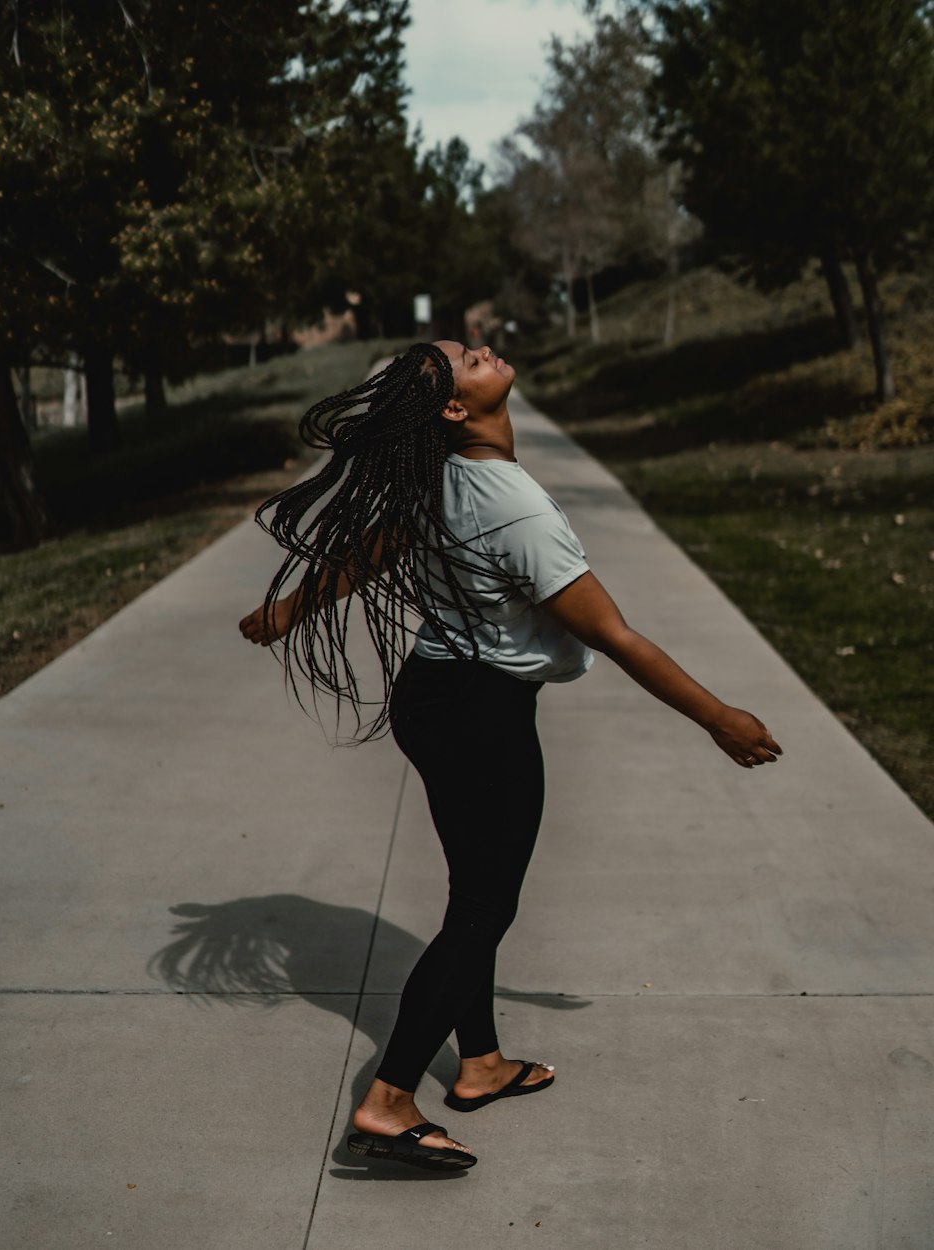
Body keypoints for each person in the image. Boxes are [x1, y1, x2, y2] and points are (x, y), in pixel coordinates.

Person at [239, 341, 782, 1172]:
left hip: (436, 698)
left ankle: (481, 1064)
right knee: (485, 910)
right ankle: (387, 1104)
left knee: (474, 894)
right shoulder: (514, 504)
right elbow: (613, 633)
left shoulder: (442, 475)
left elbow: (373, 547)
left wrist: (289, 611)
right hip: (483, 717)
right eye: (463, 357)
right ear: (456, 408)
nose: (479, 346)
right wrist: (718, 718)